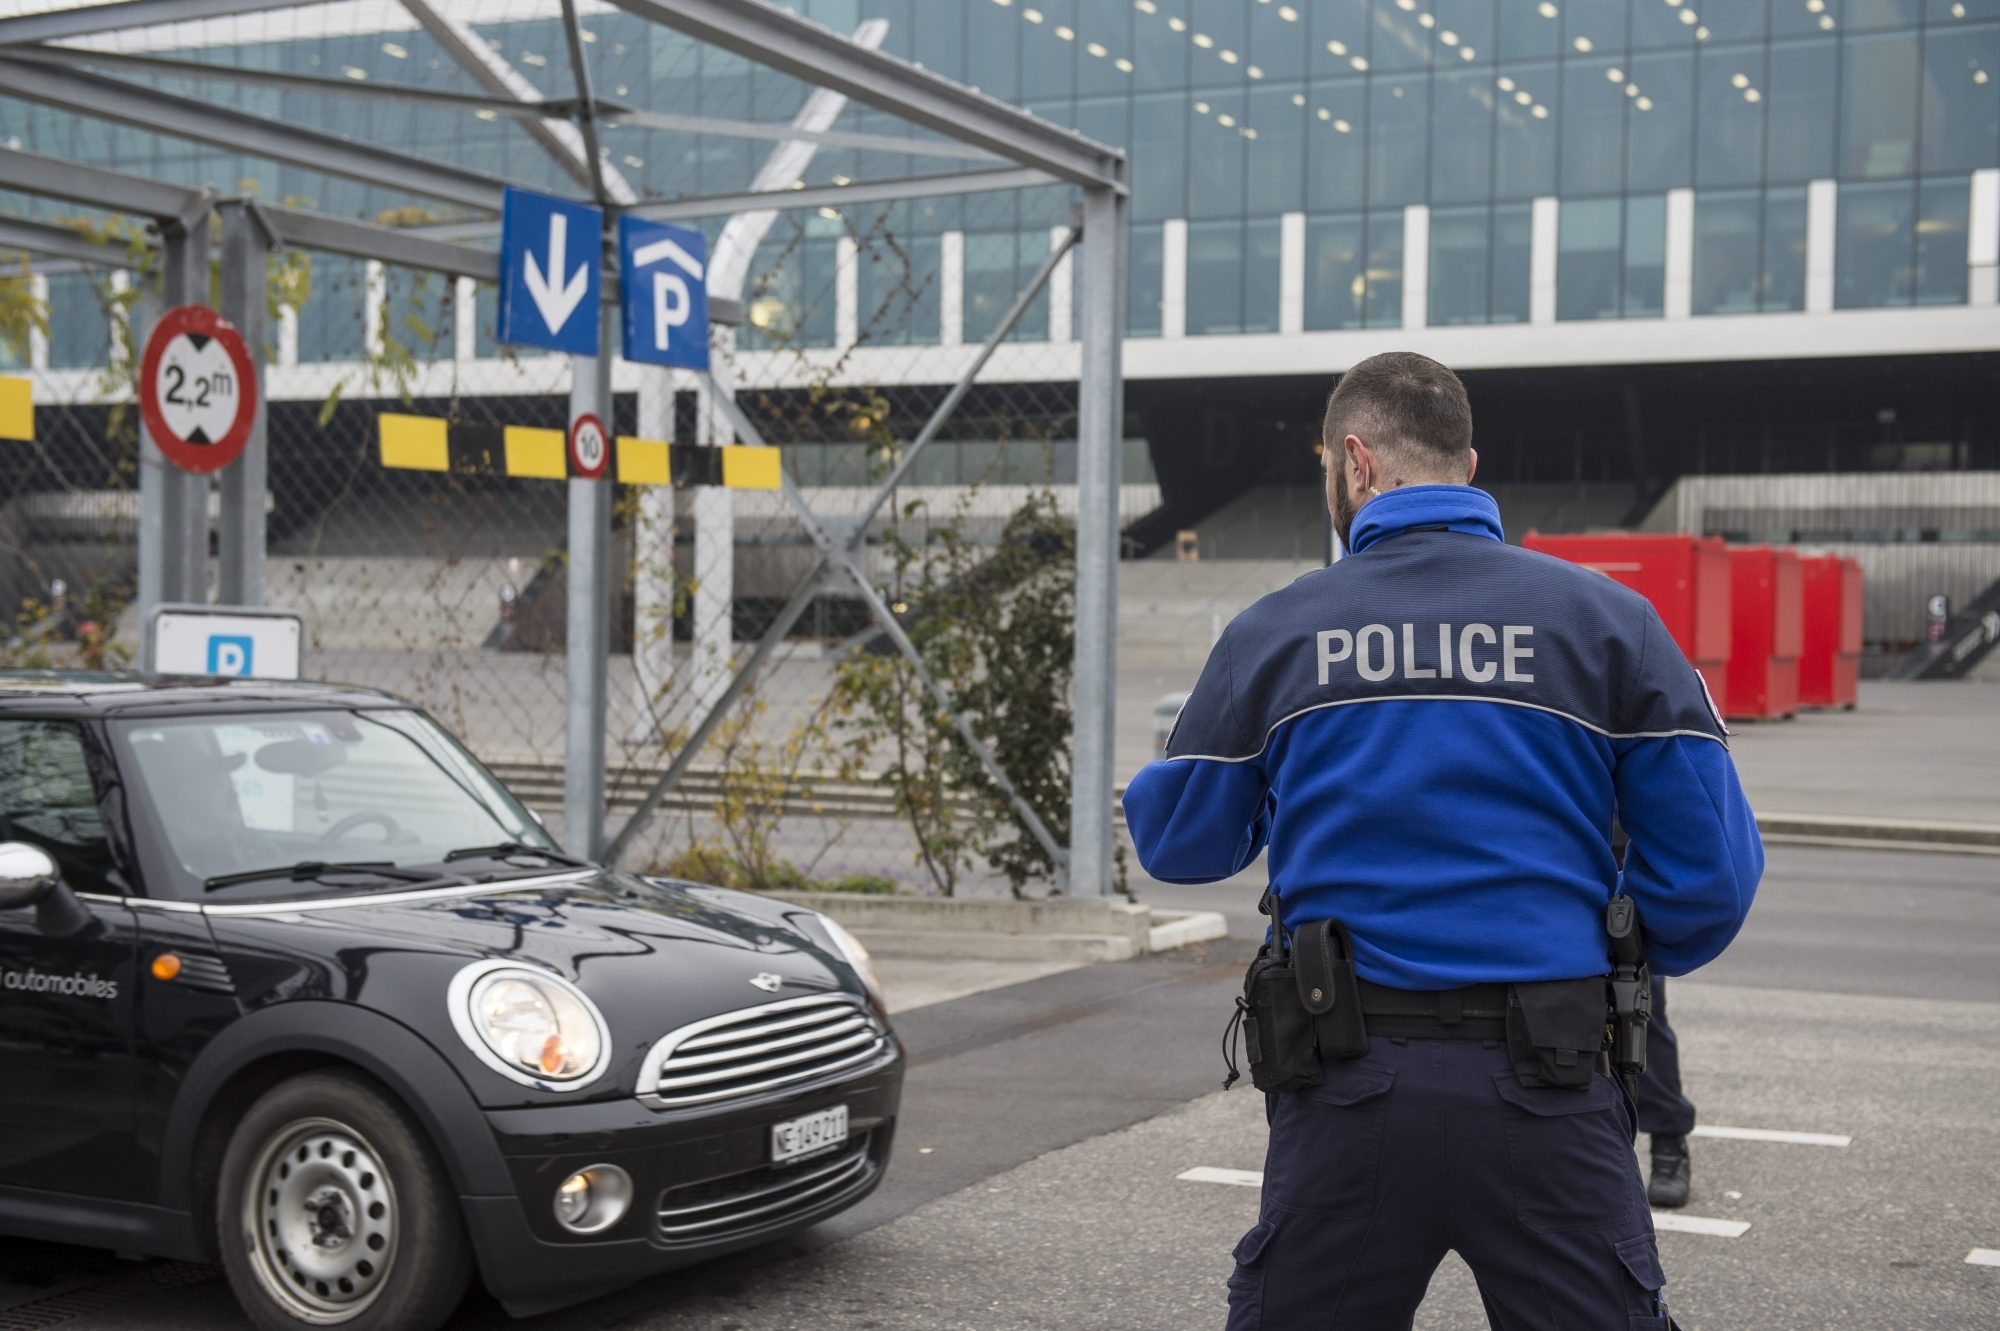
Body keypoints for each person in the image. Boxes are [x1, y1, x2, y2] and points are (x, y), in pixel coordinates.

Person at [1123, 352, 1762, 1330]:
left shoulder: (1276, 630)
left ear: (1353, 461)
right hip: (1553, 1084)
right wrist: (1615, 948)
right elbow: (1709, 881)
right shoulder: (1611, 624)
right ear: (1467, 465)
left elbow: (1179, 839)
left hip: (1345, 1089)